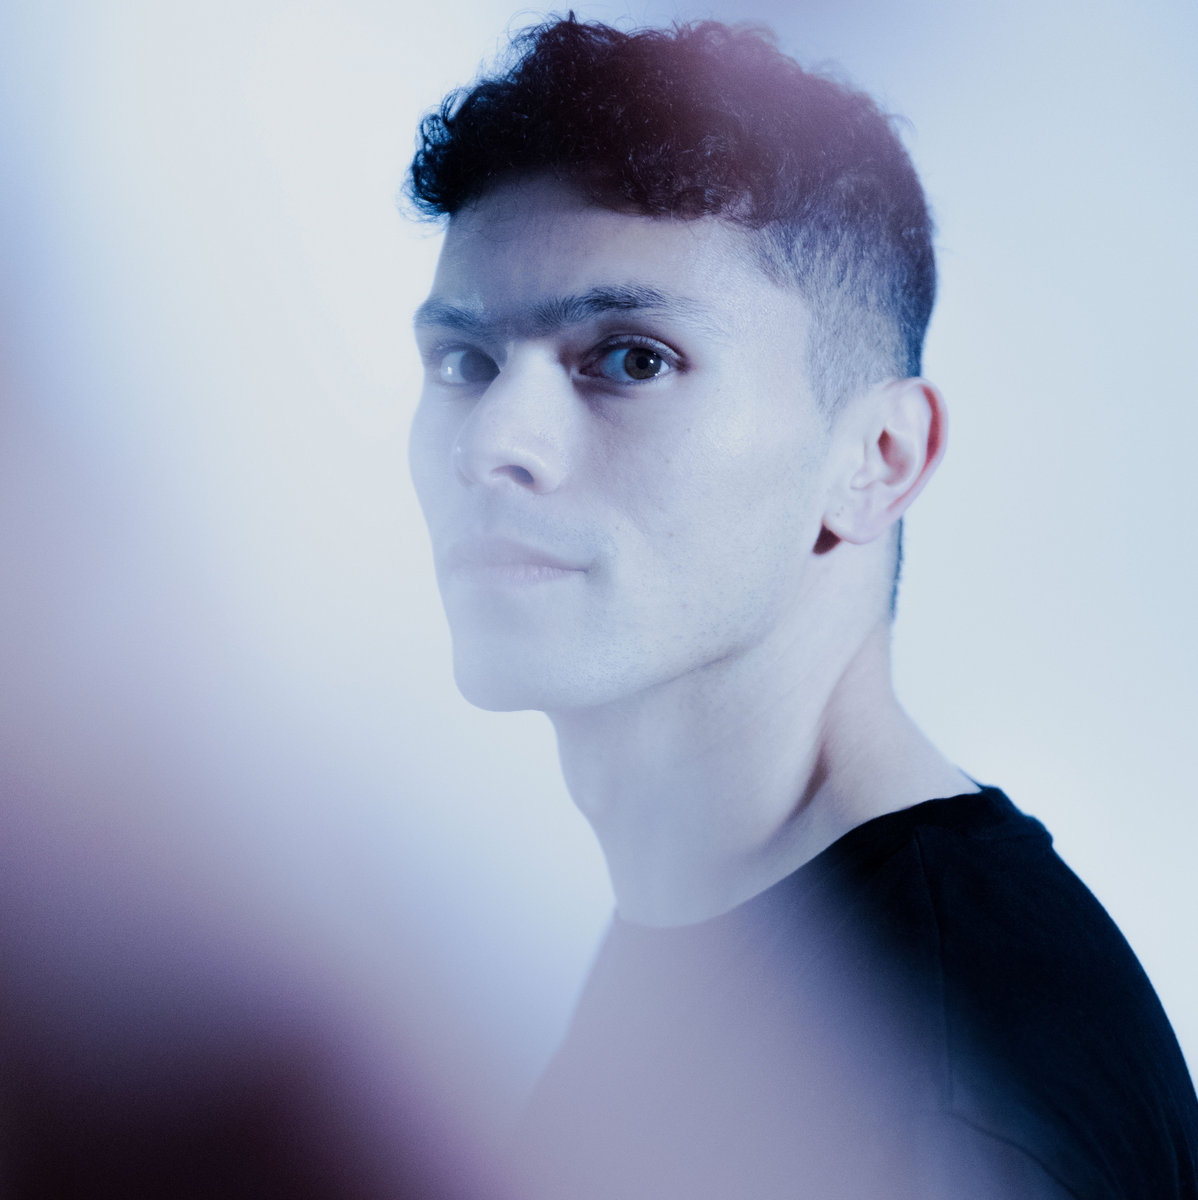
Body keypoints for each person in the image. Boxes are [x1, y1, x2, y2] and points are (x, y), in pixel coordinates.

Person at [404, 15, 1198, 1199]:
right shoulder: (718, 929)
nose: (491, 444)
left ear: (876, 459)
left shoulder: (932, 1092)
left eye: (630, 358)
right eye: (464, 364)